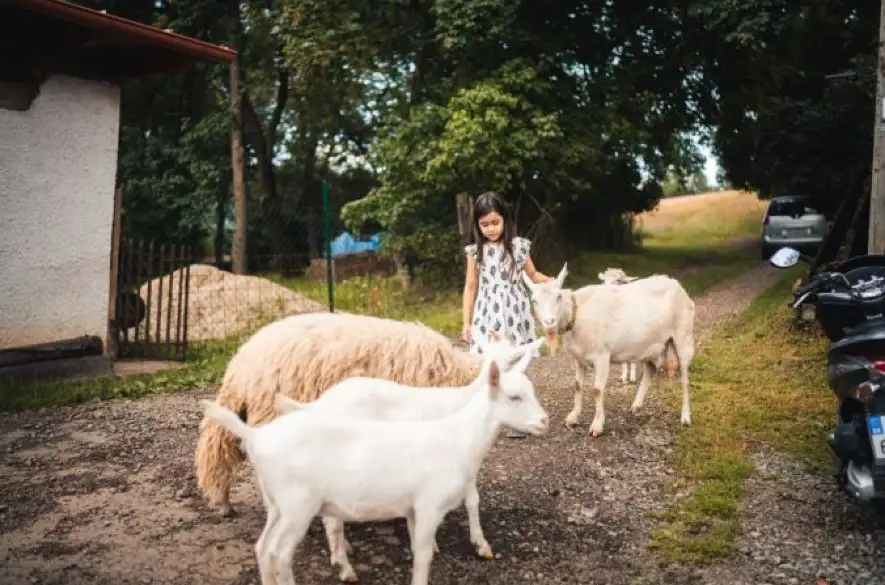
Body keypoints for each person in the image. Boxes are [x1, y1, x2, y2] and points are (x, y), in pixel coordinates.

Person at [461, 191, 552, 436]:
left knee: (516, 359)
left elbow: (533, 275)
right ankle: (486, 414)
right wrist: (466, 322)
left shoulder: (518, 247)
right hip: (487, 310)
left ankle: (519, 417)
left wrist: (550, 282)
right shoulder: (475, 252)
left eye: (495, 222)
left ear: (505, 220)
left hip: (515, 308)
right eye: (484, 225)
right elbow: (470, 287)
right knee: (487, 360)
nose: (490, 229)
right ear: (477, 226)